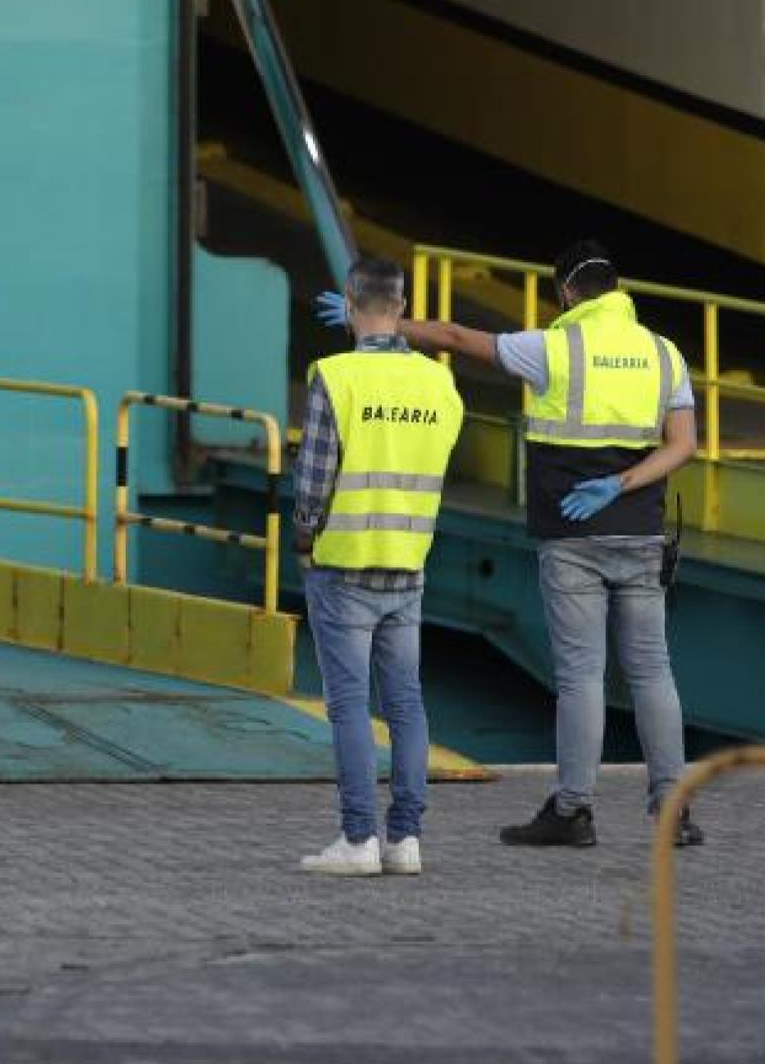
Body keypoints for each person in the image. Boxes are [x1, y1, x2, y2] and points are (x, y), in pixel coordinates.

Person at [322, 239, 704, 847]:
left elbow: (454, 339)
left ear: (566, 293)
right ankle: (673, 810)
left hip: (572, 536)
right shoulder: (665, 354)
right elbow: (683, 444)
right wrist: (621, 484)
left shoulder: (554, 346)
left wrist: (383, 321)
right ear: (616, 290)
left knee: (581, 676)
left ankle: (573, 810)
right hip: (641, 529)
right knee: (653, 670)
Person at [297, 258, 465, 877]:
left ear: (348, 302)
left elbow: (312, 482)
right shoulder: (439, 385)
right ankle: (406, 840)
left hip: (344, 566)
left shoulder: (335, 377)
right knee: (407, 704)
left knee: (348, 706)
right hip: (408, 565)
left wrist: (303, 538)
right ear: (401, 306)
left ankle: (358, 838)